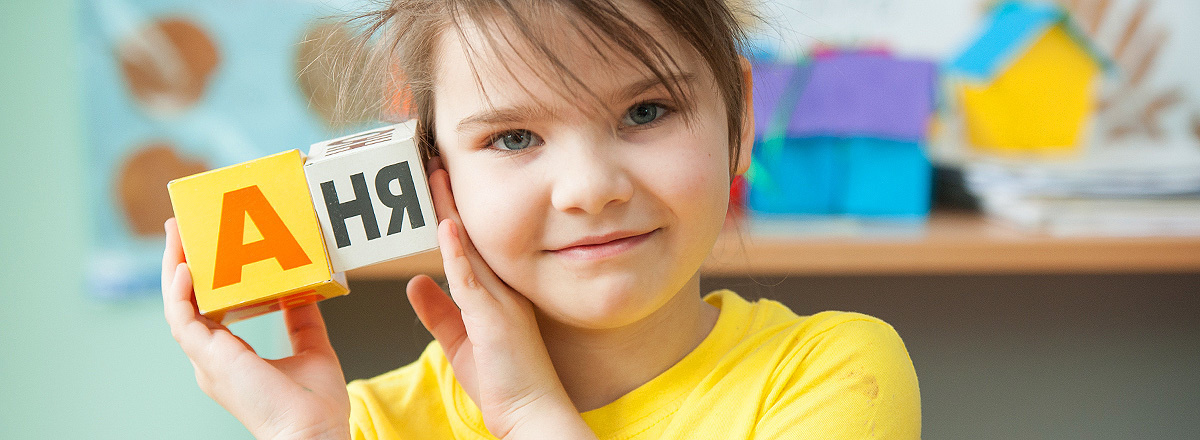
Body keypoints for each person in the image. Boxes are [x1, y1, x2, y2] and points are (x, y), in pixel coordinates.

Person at [160, 0, 921, 438]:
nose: (589, 188)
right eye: (513, 137)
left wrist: (532, 415)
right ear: (434, 171)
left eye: (646, 111)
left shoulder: (835, 375)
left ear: (742, 117)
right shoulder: (363, 428)